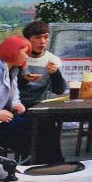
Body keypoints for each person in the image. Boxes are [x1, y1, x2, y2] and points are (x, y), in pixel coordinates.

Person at [10, 21, 69, 163]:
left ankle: (53, 163)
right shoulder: (20, 57)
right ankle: (32, 161)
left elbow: (59, 90)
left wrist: (55, 74)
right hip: (15, 105)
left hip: (39, 106)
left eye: (46, 37)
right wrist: (24, 79)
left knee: (47, 126)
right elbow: (8, 86)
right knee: (30, 127)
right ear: (28, 40)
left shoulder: (52, 60)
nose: (42, 41)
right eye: (37, 37)